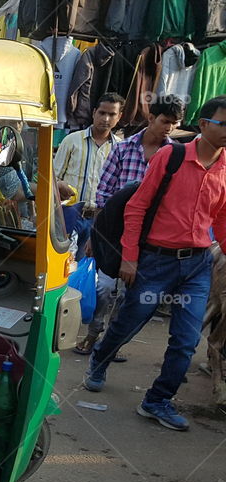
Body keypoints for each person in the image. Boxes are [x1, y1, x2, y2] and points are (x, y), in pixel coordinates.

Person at [83, 96, 226, 431]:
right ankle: (100, 358)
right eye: (224, 124)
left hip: (197, 265)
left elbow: (220, 218)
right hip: (154, 261)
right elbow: (136, 208)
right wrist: (129, 258)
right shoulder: (171, 157)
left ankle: (157, 400)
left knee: (186, 340)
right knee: (130, 321)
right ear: (204, 125)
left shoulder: (225, 168)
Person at [76, 96, 185, 355]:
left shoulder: (176, 157)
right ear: (151, 118)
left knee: (131, 295)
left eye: (175, 123)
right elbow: (103, 196)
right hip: (113, 233)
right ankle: (93, 335)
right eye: (165, 121)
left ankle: (112, 343)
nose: (170, 128)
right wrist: (96, 236)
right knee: (102, 288)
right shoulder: (123, 149)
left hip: (151, 239)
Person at [53, 93, 124, 245]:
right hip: (70, 215)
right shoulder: (72, 140)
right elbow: (52, 177)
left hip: (100, 220)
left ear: (119, 117)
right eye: (102, 113)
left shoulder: (120, 147)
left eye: (112, 114)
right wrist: (60, 185)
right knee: (67, 264)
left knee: (90, 264)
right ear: (93, 113)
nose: (105, 119)